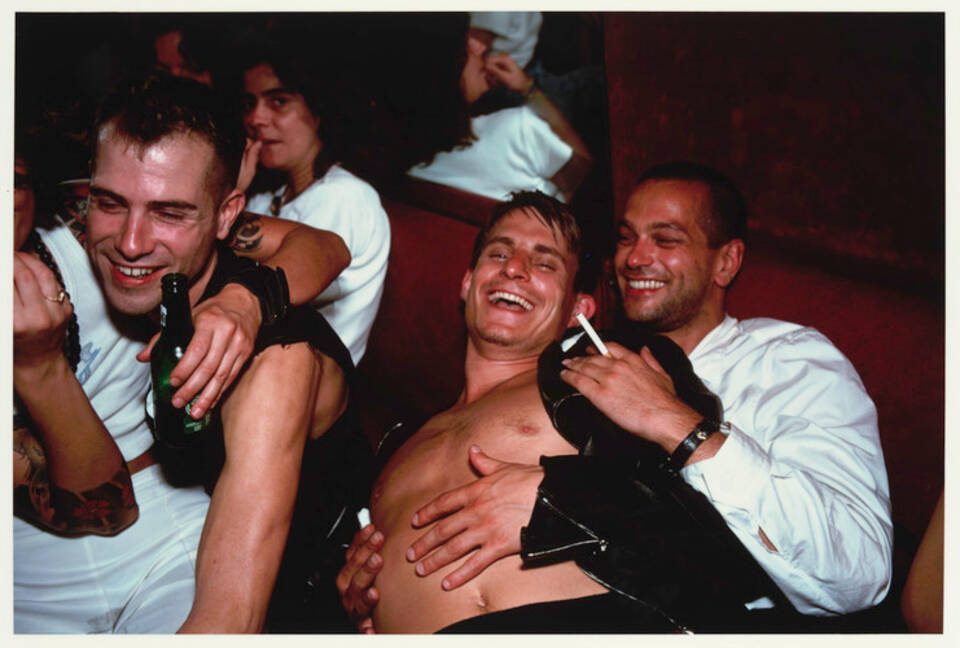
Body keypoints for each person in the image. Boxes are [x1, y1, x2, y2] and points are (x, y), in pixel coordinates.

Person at [341, 163, 893, 630]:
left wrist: (672, 429)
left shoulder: (786, 360)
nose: (634, 258)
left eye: (667, 239)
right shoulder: (580, 374)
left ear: (726, 261)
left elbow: (855, 575)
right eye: (626, 238)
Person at [20, 73, 354, 634]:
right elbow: (321, 246)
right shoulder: (118, 259)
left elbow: (226, 622)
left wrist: (246, 306)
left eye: (169, 213)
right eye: (109, 203)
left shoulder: (276, 363)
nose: (131, 241)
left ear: (226, 216)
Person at [240, 40, 391, 366]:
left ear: (319, 112)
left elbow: (275, 298)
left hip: (314, 380)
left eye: (278, 102)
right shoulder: (268, 196)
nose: (256, 118)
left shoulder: (347, 196)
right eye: (250, 103)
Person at [406, 25, 592, 204]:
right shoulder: (518, 129)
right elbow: (586, 172)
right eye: (463, 46)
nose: (479, 46)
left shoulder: (411, 166)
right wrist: (529, 89)